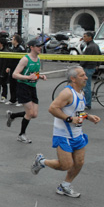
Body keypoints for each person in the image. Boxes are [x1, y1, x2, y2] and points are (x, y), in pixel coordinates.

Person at [31, 66, 100, 198]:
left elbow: (77, 110)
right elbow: (52, 108)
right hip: (63, 135)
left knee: (79, 162)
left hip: (77, 134)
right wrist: (69, 119)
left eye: (85, 75)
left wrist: (88, 116)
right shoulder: (67, 93)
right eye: (82, 75)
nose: (86, 77)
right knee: (65, 165)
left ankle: (65, 186)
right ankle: (41, 161)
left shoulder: (82, 92)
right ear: (73, 79)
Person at [6, 38, 47, 143]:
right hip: (23, 87)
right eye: (38, 46)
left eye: (41, 46)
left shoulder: (38, 59)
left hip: (32, 88)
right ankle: (21, 135)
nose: (40, 48)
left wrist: (40, 76)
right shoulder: (25, 59)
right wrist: (28, 78)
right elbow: (15, 74)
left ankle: (13, 115)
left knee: (34, 114)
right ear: (31, 47)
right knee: (29, 113)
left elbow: (33, 73)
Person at [80, 31, 101, 110]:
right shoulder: (95, 45)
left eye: (85, 36)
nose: (84, 38)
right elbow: (99, 56)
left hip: (88, 67)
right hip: (92, 67)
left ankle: (88, 104)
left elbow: (85, 59)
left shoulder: (89, 47)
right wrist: (97, 65)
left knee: (86, 86)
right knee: (87, 85)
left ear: (90, 38)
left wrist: (80, 66)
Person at [7, 34, 24, 107]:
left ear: (16, 40)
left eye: (12, 39)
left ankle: (20, 100)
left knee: (19, 85)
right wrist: (9, 66)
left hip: (19, 69)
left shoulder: (21, 48)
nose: (11, 40)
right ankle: (12, 99)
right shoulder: (13, 48)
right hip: (13, 69)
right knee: (12, 84)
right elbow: (11, 58)